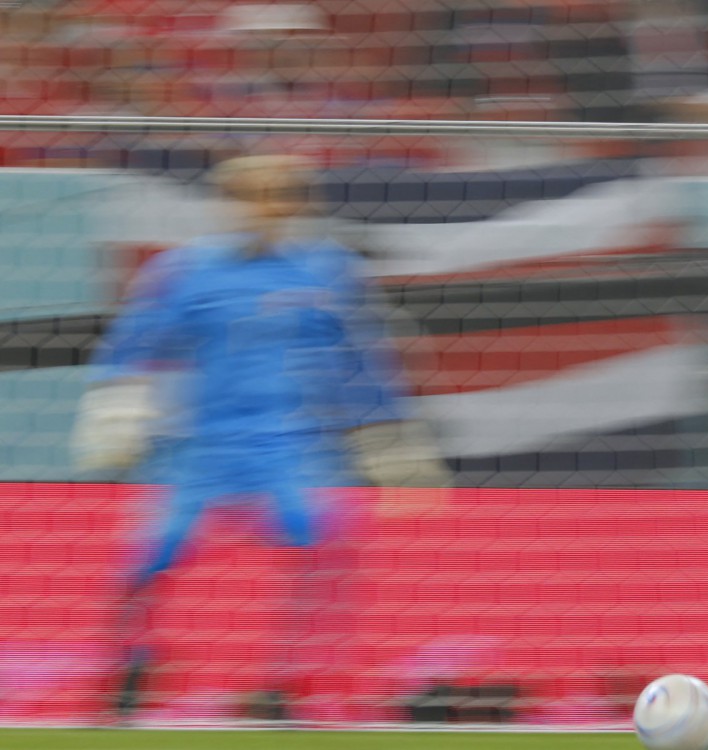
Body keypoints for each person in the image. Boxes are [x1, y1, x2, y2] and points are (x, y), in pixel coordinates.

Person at [70, 154, 451, 722]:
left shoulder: (326, 272)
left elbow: (360, 361)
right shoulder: (187, 272)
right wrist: (117, 409)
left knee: (322, 541)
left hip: (290, 444)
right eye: (252, 196)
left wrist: (390, 443)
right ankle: (130, 664)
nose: (265, 208)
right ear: (230, 204)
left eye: (278, 197)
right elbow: (135, 343)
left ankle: (286, 678)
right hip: (202, 446)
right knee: (151, 558)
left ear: (295, 205)